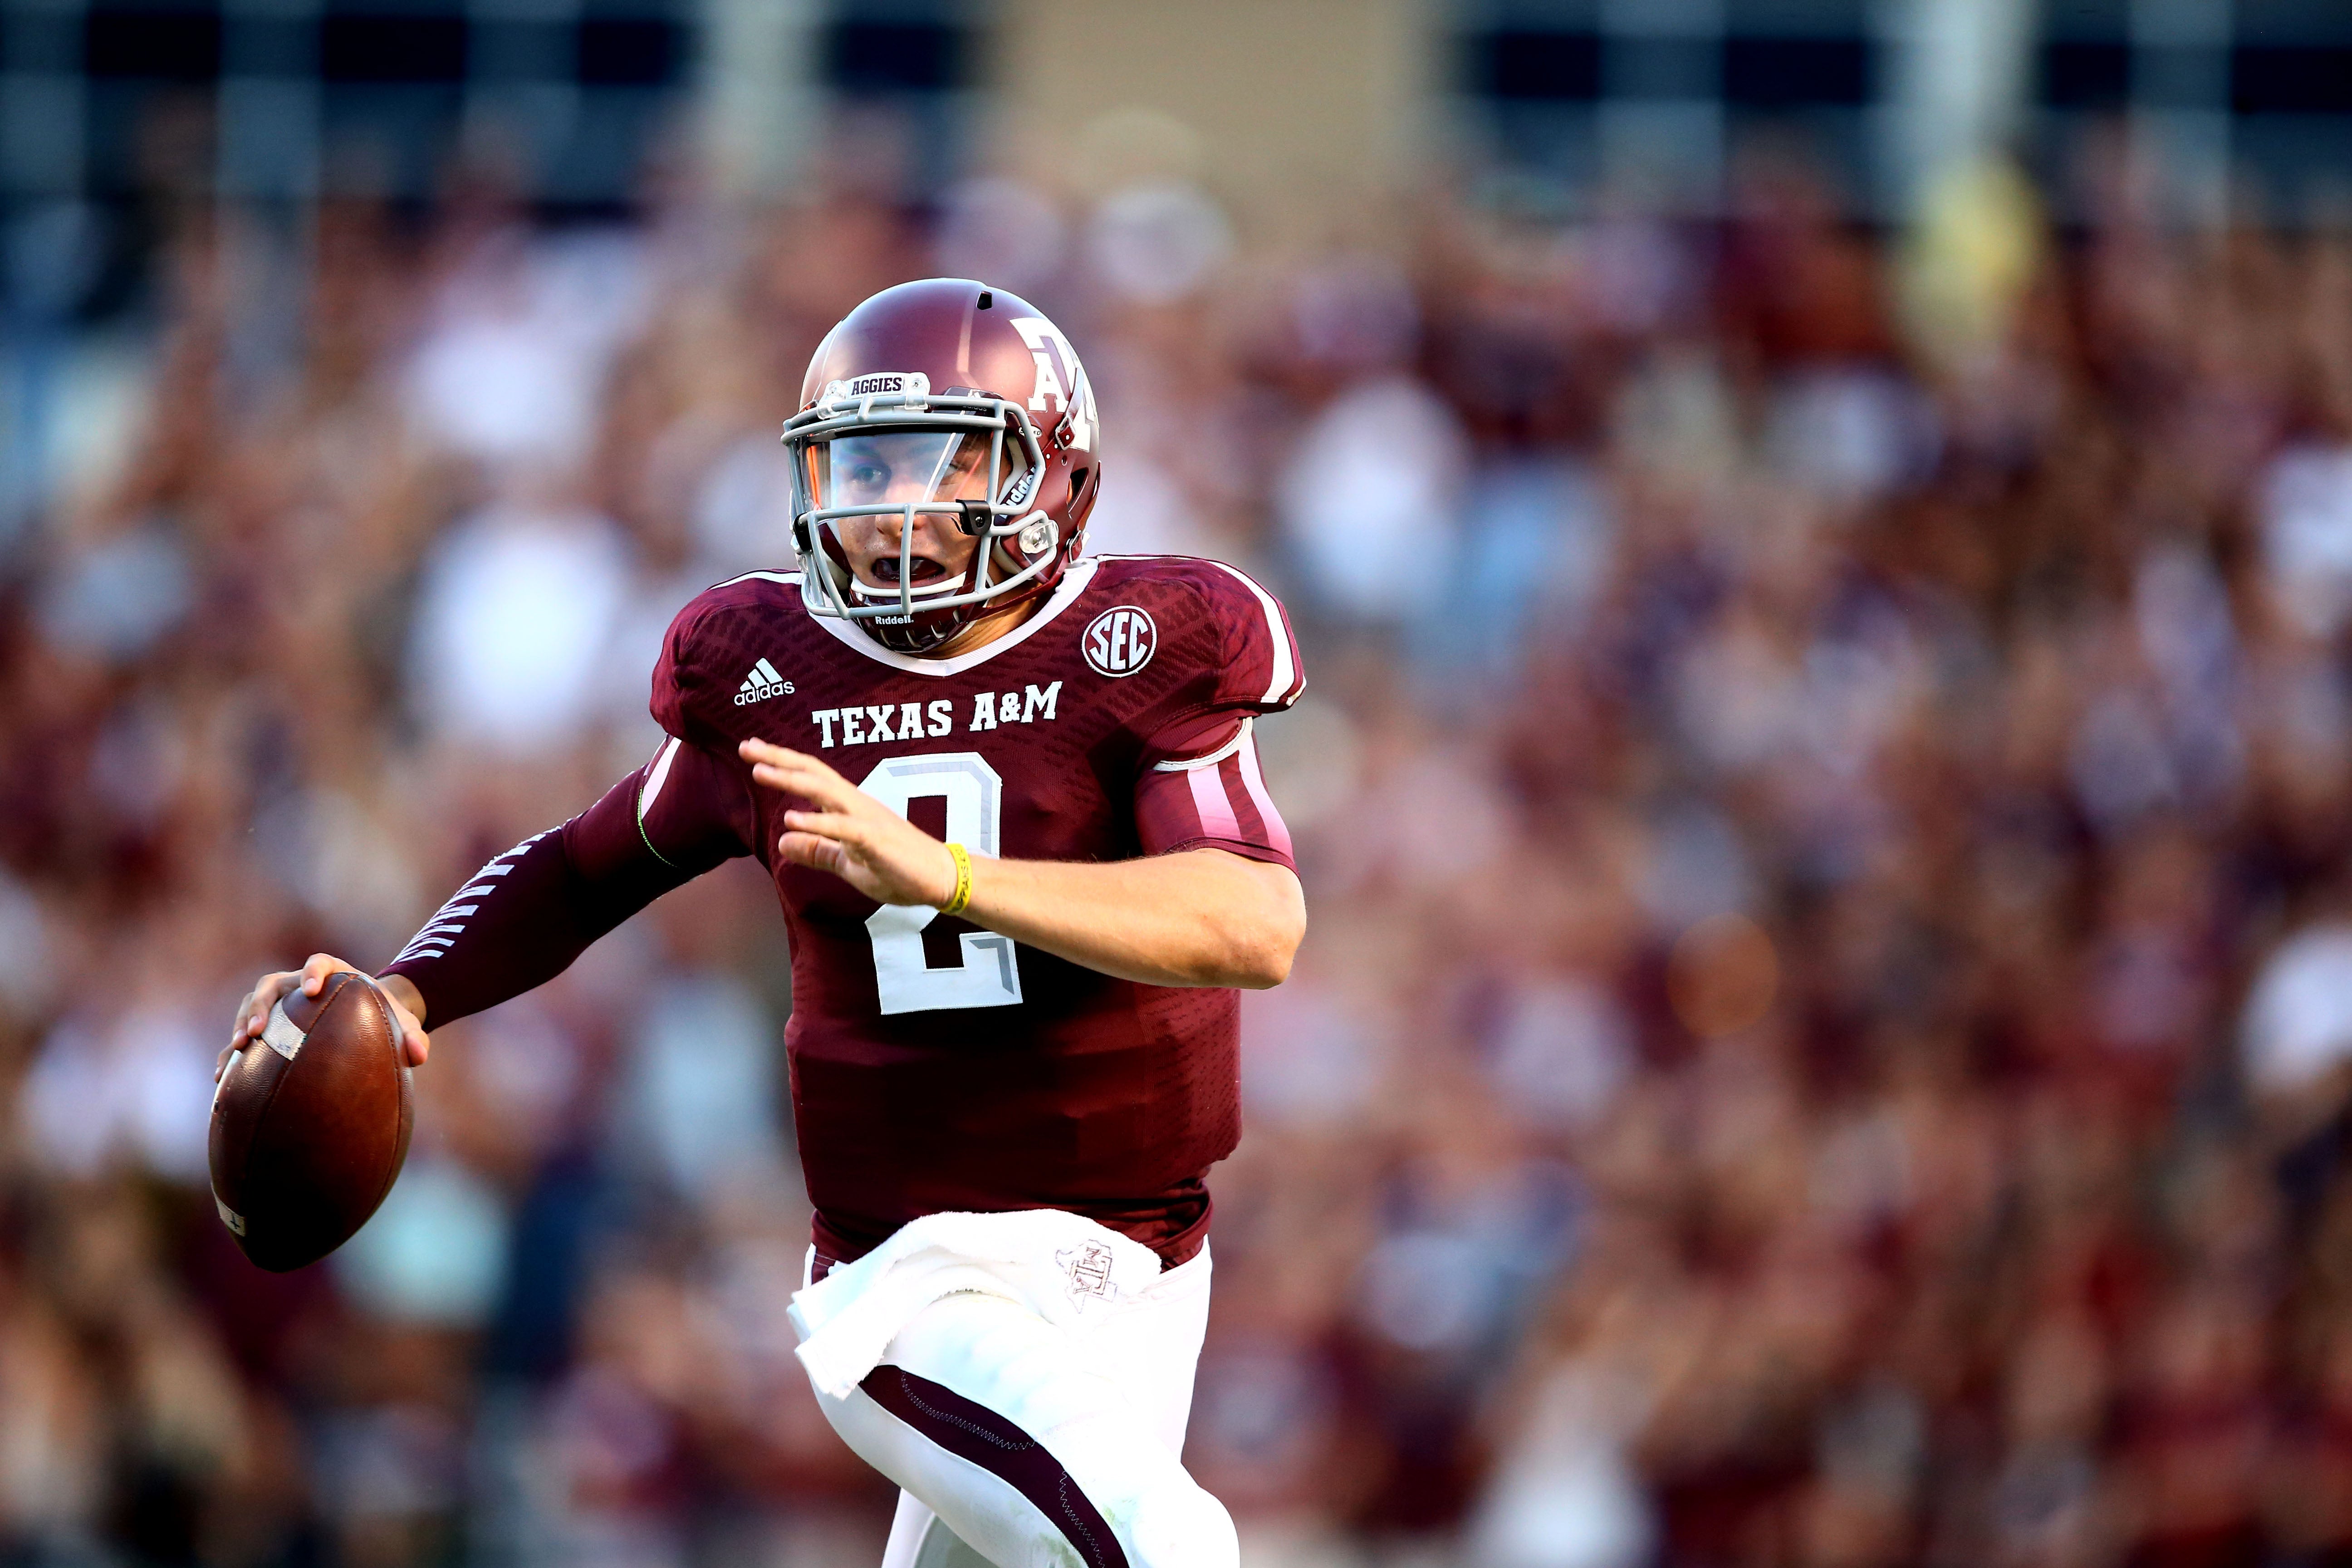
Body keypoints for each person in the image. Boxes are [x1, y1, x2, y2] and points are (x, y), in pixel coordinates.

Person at [219, 279, 1306, 1568]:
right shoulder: (770, 672)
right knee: (1162, 1545)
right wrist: (404, 992)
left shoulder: (1144, 642)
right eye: (865, 464)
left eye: (943, 459)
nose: (895, 507)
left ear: (1052, 471)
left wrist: (950, 876)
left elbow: (1255, 919)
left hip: (1145, 1267)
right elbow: (586, 865)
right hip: (914, 1280)